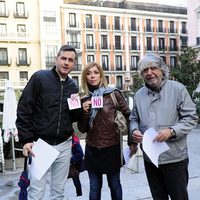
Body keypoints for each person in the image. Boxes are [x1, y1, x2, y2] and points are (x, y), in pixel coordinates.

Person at [16, 44, 81, 200]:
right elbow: (24, 108)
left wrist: (79, 108)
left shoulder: (73, 86)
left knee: (58, 193)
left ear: (74, 64)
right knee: (36, 193)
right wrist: (26, 140)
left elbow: (74, 117)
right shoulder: (40, 78)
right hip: (41, 145)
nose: (66, 62)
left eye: (70, 60)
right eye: (63, 58)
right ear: (56, 59)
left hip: (64, 145)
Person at [130, 53, 198, 200]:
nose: (149, 73)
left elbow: (191, 117)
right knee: (158, 197)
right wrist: (134, 130)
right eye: (144, 70)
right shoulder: (139, 95)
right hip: (150, 160)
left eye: (153, 68)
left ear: (162, 69)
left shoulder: (178, 89)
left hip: (174, 158)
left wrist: (172, 131)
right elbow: (133, 119)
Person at [78, 62, 134, 200]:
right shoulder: (84, 99)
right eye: (89, 73)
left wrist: (132, 141)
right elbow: (81, 129)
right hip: (92, 149)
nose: (92, 76)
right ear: (85, 77)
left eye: (96, 72)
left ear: (101, 75)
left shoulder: (114, 94)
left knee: (114, 185)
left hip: (112, 148)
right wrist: (84, 112)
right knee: (95, 187)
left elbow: (130, 117)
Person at [69, 132, 84, 197]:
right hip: (64, 164)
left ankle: (79, 195)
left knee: (76, 180)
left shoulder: (74, 141)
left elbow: (80, 154)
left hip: (73, 165)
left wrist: (71, 160)